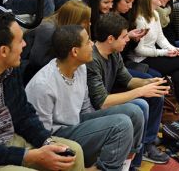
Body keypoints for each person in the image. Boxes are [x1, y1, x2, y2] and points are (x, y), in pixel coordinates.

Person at [26, 25, 144, 170]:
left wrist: (101, 127)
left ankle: (125, 166)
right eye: (87, 41)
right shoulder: (43, 85)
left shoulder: (81, 67)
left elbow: (86, 108)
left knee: (134, 111)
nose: (92, 44)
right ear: (75, 51)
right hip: (58, 134)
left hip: (77, 122)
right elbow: (42, 134)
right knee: (121, 123)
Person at [0, 11, 84, 170]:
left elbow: (24, 115)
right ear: (3, 51)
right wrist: (28, 157)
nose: (25, 45)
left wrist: (46, 142)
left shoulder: (10, 69)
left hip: (16, 139)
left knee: (72, 152)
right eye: (20, 40)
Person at [87, 13, 170, 166]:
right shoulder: (92, 59)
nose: (128, 39)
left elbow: (129, 80)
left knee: (156, 95)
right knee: (141, 105)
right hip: (91, 110)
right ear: (110, 38)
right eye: (124, 36)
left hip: (104, 100)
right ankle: (133, 164)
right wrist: (141, 91)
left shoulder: (114, 53)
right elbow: (101, 102)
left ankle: (147, 144)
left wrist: (149, 82)